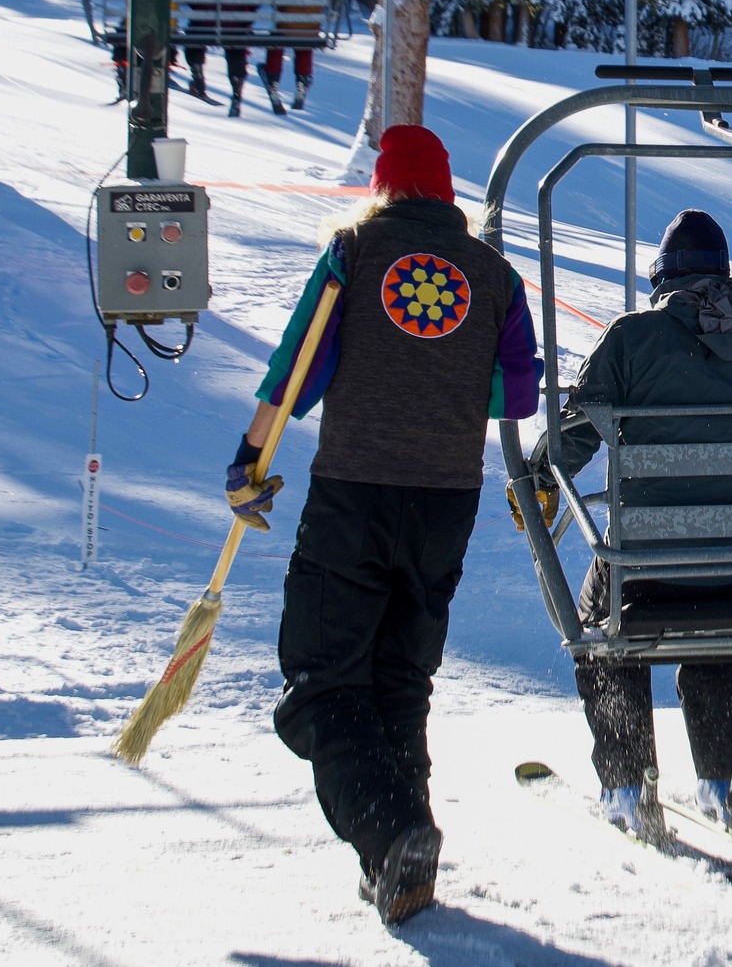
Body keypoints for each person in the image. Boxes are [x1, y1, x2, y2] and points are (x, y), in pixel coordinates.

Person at [227, 125, 541, 924]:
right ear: (443, 191)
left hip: (355, 492)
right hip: (444, 501)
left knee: (323, 678)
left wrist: (250, 457)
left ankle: (390, 826)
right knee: (401, 679)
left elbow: (300, 361)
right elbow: (517, 395)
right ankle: (401, 860)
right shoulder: (496, 275)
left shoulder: (353, 250)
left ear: (384, 184)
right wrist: (442, 376)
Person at [529, 210, 732, 840]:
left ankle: (629, 784)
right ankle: (724, 781)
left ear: (664, 276)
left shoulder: (632, 338)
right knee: (715, 636)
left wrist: (540, 476)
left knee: (599, 631)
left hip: (644, 567)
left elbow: (572, 438)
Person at [268, 0, 333, 111]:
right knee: (305, 42)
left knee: (276, 42)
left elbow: (277, 1)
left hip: (285, 29)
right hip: (310, 30)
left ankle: (272, 79)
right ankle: (302, 81)